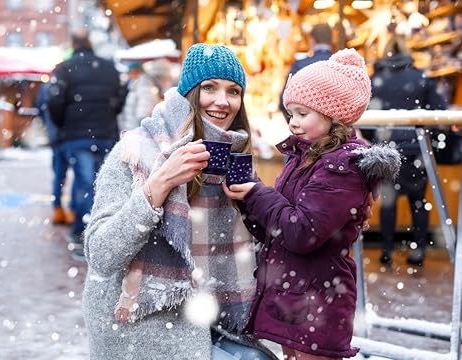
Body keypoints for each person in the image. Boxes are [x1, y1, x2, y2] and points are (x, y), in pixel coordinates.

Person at [82, 43, 277, 360]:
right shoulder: (137, 152)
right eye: (209, 88)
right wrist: (159, 184)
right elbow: (101, 256)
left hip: (214, 321)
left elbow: (268, 245)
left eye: (233, 91)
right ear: (188, 93)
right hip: (142, 328)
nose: (222, 101)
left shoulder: (236, 159)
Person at [223, 49, 401, 359]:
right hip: (298, 298)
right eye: (290, 113)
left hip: (318, 301)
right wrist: (246, 201)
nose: (293, 123)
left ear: (333, 114)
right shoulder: (305, 157)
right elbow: (278, 228)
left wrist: (257, 195)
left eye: (302, 113)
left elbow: (301, 232)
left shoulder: (341, 168)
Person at [369, 35, 448, 266]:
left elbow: (364, 113)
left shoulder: (376, 80)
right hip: (416, 148)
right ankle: (419, 251)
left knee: (388, 201)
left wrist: (375, 139)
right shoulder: (421, 78)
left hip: (386, 148)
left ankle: (386, 250)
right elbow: (439, 112)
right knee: (418, 201)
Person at [47, 29, 125, 260]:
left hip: (77, 135)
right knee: (105, 185)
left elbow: (54, 101)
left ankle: (84, 236)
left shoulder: (64, 68)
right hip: (105, 134)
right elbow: (119, 99)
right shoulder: (109, 68)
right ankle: (99, 234)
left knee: (84, 185)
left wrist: (64, 125)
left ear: (73, 44)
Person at [35, 82, 74, 226]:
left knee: (59, 173)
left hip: (56, 135)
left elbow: (40, 108)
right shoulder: (69, 84)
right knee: (77, 175)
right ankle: (70, 210)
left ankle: (58, 208)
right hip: (68, 135)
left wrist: (49, 126)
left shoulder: (47, 87)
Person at [278, 23, 333, 119]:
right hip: (338, 131)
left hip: (307, 130)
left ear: (311, 39)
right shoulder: (342, 65)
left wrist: (298, 124)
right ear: (331, 40)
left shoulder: (300, 65)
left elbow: (284, 101)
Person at [118, 62, 163, 133]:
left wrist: (141, 129)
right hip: (133, 129)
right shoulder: (134, 84)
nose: (129, 75)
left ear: (137, 72)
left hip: (137, 131)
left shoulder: (144, 84)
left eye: (131, 72)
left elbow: (144, 107)